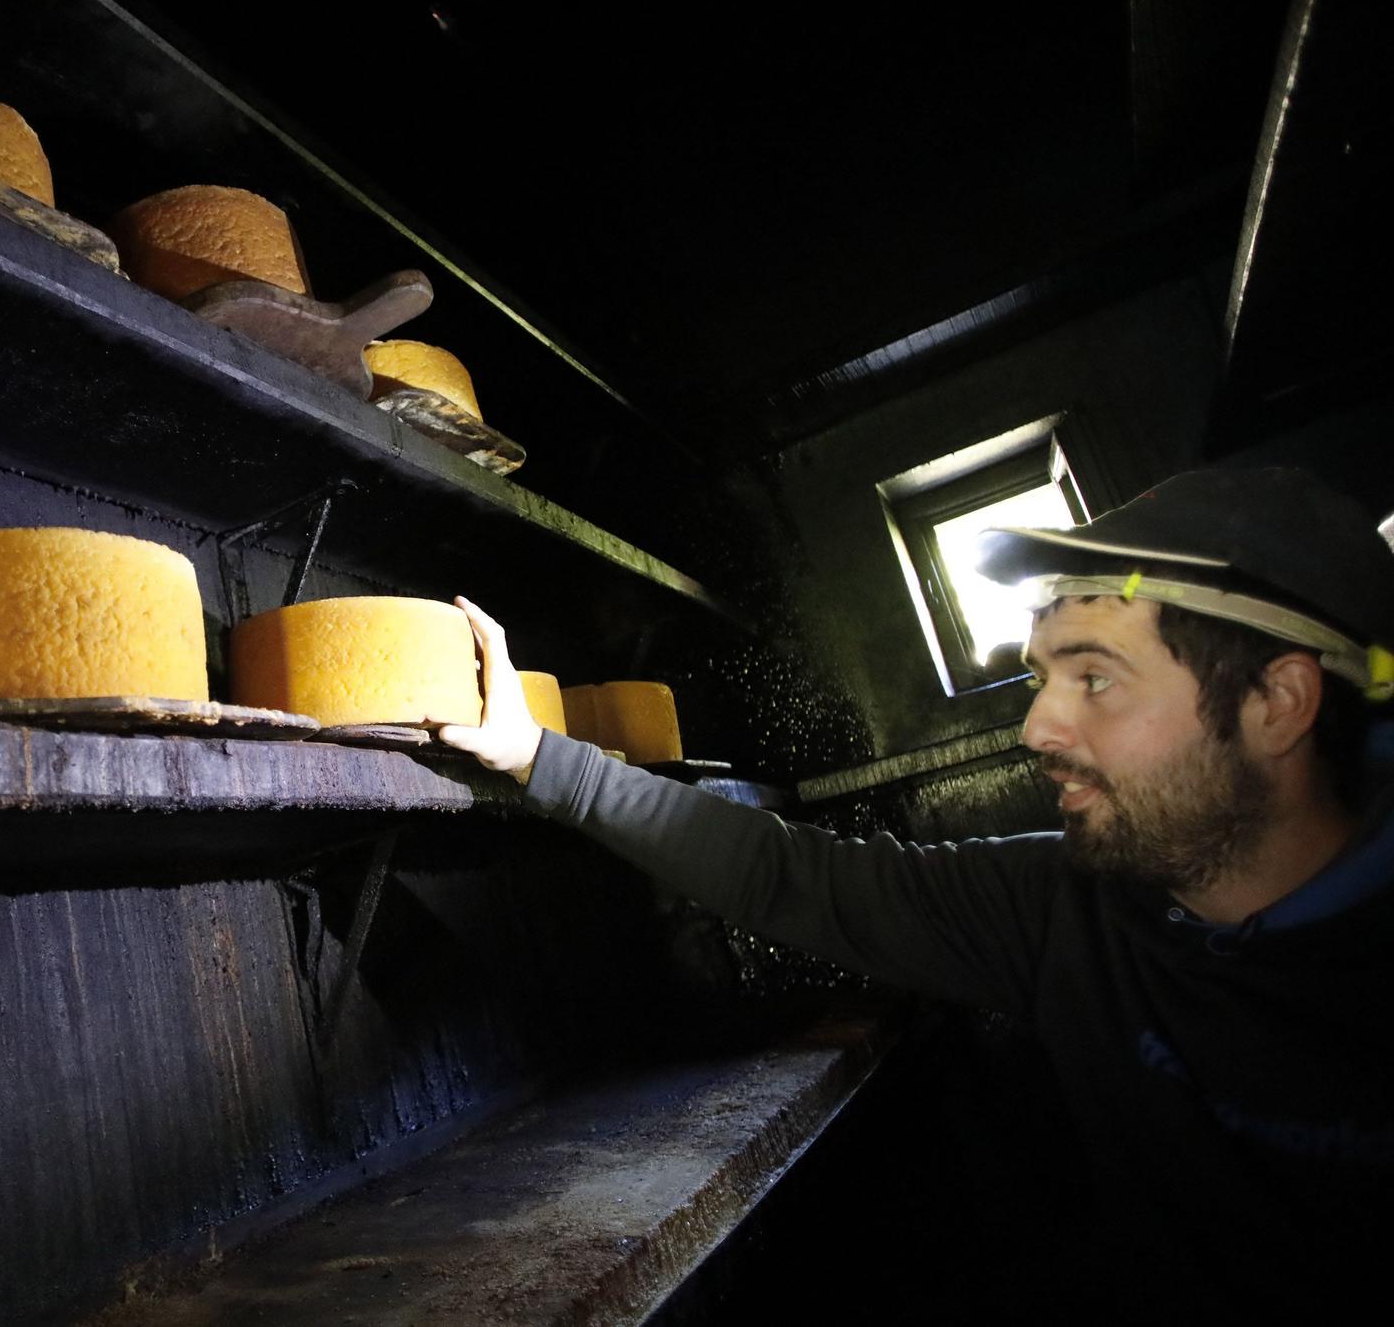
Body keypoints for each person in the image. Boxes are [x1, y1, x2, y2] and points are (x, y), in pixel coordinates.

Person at [439, 466, 1394, 1304]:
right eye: (1040, 680)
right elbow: (791, 876)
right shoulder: (1064, 906)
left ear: (1278, 702)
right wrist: (539, 756)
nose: (1039, 729)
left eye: (1096, 679)